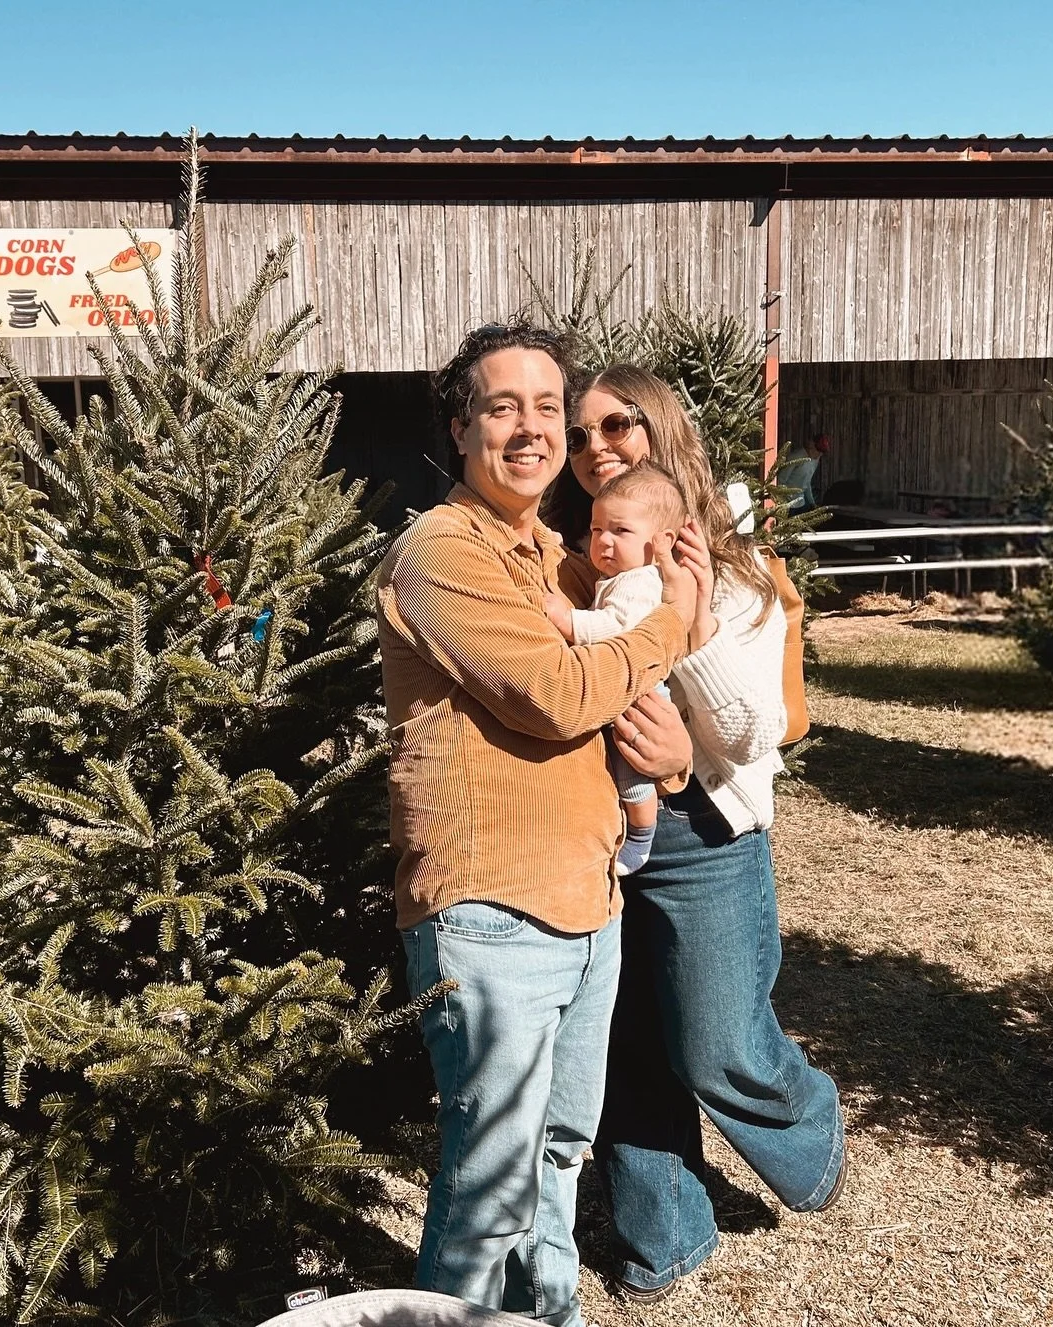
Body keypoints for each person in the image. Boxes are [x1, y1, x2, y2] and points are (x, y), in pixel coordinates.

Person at [375, 321, 700, 1327]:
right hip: (490, 913)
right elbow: (563, 694)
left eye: (547, 406)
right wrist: (673, 623)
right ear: (461, 428)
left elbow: (632, 701)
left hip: (587, 899)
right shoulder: (440, 553)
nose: (532, 428)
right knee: (487, 1191)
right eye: (503, 406)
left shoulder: (562, 559)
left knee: (559, 1158)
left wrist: (675, 758)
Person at [547, 364, 847, 1304]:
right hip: (595, 830)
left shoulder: (747, 575)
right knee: (625, 1042)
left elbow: (762, 729)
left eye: (617, 426)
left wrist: (694, 653)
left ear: (662, 431)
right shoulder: (574, 562)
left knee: (714, 1037)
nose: (598, 447)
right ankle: (662, 1231)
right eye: (582, 431)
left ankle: (810, 1138)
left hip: (706, 828)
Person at [543, 461, 688, 875]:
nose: (604, 541)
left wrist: (568, 620)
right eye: (596, 530)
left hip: (639, 697)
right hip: (622, 686)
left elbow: (618, 630)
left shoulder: (642, 583)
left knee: (631, 768)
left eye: (621, 531)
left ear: (662, 542)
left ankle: (642, 837)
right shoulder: (618, 576)